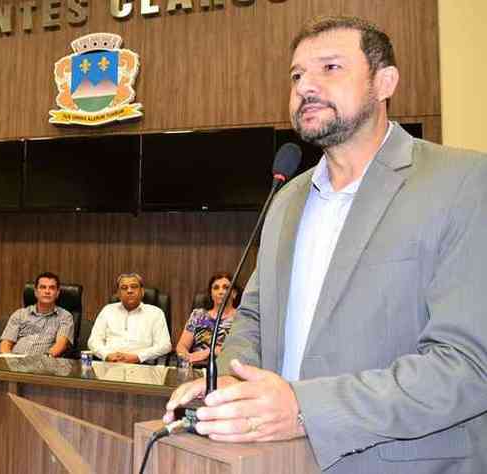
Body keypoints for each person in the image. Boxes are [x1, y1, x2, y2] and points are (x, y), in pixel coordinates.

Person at [164, 16, 487, 473]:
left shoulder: (464, 182)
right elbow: (252, 320)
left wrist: (302, 408)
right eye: (296, 75)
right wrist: (231, 389)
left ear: (385, 82)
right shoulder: (288, 196)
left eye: (330, 68)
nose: (306, 87)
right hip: (280, 460)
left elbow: (470, 366)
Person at [87, 273, 171, 364]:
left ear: (142, 291)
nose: (129, 291)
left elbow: (165, 345)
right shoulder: (108, 310)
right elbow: (93, 341)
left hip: (142, 366)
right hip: (110, 365)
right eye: (124, 288)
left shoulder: (155, 313)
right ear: (118, 294)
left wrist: (138, 357)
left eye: (134, 287)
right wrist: (107, 355)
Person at [0, 272, 74, 357]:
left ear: (57, 293)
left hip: (44, 365)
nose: (47, 291)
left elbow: (61, 344)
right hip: (15, 363)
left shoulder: (65, 317)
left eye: (52, 288)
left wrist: (44, 359)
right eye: (43, 287)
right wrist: (7, 360)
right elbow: (6, 343)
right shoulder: (20, 314)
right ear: (35, 292)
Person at [175, 273, 240, 366]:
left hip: (227, 369)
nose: (221, 291)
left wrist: (207, 353)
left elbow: (240, 350)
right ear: (211, 294)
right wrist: (188, 358)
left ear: (234, 294)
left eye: (226, 287)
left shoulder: (241, 317)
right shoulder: (198, 315)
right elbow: (181, 347)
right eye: (216, 288)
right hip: (197, 367)